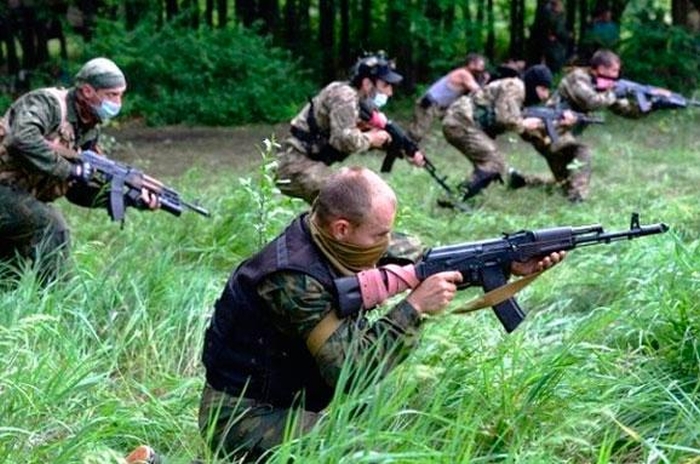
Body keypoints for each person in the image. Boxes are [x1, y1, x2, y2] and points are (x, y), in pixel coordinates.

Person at [198, 166, 565, 462]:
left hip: (297, 400)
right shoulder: (293, 280)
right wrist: (414, 308)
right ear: (342, 228)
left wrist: (503, 263)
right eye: (380, 235)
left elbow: (422, 260)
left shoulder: (332, 238)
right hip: (242, 416)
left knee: (402, 425)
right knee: (363, 454)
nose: (388, 244)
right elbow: (353, 373)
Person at [0, 57, 159, 283]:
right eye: (112, 95)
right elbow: (21, 138)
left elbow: (77, 191)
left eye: (121, 95)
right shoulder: (49, 104)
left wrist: (129, 199)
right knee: (51, 227)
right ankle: (58, 306)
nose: (118, 102)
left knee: (8, 275)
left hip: (16, 196)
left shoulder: (88, 130)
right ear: (86, 91)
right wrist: (70, 170)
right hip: (5, 189)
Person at [274, 51, 425, 205]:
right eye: (385, 85)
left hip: (307, 161)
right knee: (345, 202)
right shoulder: (345, 97)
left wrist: (405, 150)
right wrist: (372, 138)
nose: (390, 92)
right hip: (294, 164)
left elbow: (365, 134)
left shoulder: (360, 102)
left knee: (349, 201)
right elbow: (343, 140)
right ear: (367, 83)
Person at [511, 49, 643, 202]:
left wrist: (650, 105)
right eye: (614, 70)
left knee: (565, 183)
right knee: (582, 151)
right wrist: (614, 93)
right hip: (547, 131)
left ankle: (520, 180)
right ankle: (578, 198)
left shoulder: (603, 85)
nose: (616, 75)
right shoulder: (578, 78)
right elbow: (591, 101)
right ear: (600, 68)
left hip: (561, 133)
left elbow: (625, 110)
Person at [440, 64, 555, 201]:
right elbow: (505, 118)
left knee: (493, 163)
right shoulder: (516, 88)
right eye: (543, 89)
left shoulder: (519, 93)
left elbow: (518, 126)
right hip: (461, 123)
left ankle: (465, 197)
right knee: (494, 163)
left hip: (462, 122)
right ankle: (455, 199)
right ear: (533, 85)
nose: (545, 96)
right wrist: (524, 123)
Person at [407, 53, 488, 143]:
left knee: (455, 122)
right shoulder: (464, 74)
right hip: (430, 103)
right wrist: (484, 81)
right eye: (480, 65)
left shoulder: (464, 73)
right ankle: (403, 148)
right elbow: (477, 91)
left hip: (438, 105)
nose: (481, 69)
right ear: (471, 63)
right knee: (417, 132)